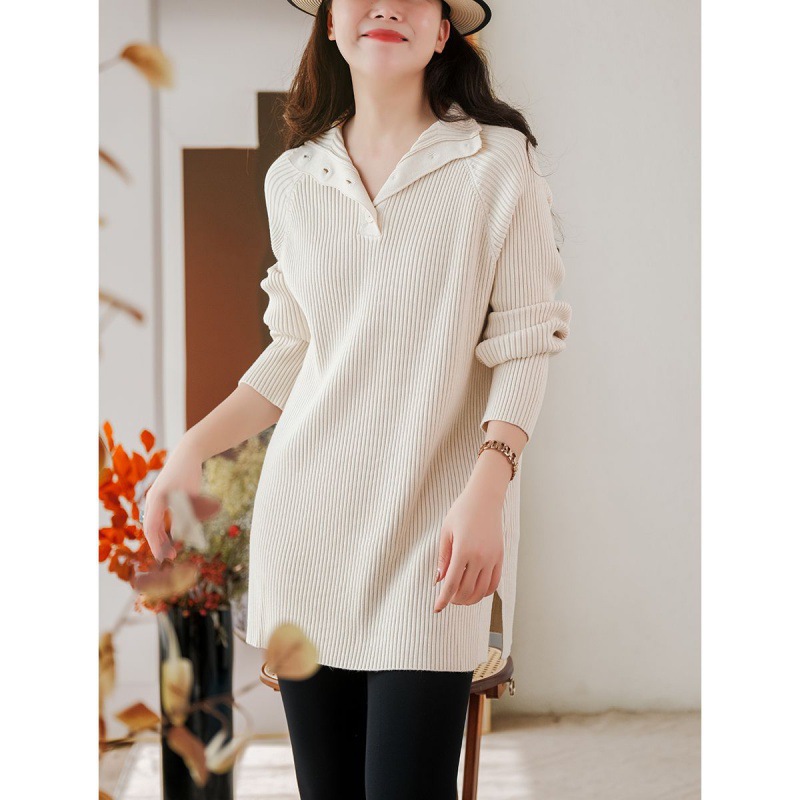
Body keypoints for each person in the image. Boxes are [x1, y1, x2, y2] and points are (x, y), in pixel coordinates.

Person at [143, 0, 573, 797]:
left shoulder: (497, 163)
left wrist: (490, 484)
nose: (384, 4)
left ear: (441, 31)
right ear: (332, 26)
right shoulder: (293, 180)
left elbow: (524, 341)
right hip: (307, 533)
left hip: (434, 539)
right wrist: (191, 449)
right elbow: (294, 348)